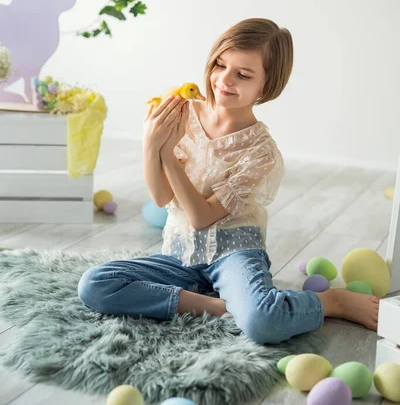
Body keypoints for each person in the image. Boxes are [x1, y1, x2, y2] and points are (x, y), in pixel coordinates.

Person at [78, 18, 379, 344]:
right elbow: (163, 198)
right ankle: (221, 306)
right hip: (179, 256)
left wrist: (165, 154)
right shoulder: (183, 114)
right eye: (220, 65)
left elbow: (202, 216)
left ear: (266, 86)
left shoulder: (262, 152)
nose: (223, 79)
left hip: (235, 253)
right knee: (95, 284)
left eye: (243, 74)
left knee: (263, 323)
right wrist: (151, 145)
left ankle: (329, 301)